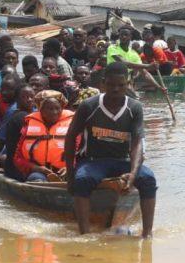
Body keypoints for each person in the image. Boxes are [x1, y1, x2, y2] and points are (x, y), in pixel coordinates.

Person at [64, 62, 157, 238]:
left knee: (148, 179)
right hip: (93, 160)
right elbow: (70, 138)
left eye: (121, 85)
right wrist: (70, 172)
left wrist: (133, 172)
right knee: (82, 181)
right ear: (102, 84)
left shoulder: (134, 108)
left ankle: (147, 234)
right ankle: (85, 234)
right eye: (111, 85)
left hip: (122, 161)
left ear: (128, 84)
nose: (115, 89)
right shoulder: (88, 106)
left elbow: (138, 142)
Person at [14, 91, 76, 182]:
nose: (54, 112)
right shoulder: (28, 125)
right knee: (36, 179)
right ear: (41, 110)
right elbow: (18, 158)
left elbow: (81, 153)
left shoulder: (73, 125)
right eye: (50, 109)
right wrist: (35, 168)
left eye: (57, 108)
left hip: (66, 171)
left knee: (77, 179)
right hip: (39, 172)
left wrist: (70, 167)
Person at [0, 85, 35, 181]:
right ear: (17, 100)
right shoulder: (16, 116)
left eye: (32, 97)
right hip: (17, 168)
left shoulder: (37, 115)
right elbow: (0, 141)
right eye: (24, 97)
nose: (29, 100)